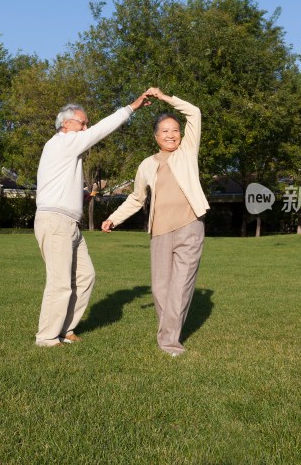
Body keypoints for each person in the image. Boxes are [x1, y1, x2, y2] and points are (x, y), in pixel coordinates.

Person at [34, 93, 151, 347]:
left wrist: (80, 196)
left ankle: (65, 329)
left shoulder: (66, 150)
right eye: (82, 123)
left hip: (69, 224)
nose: (86, 128)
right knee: (60, 282)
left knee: (86, 276)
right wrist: (131, 107)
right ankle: (46, 337)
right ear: (65, 123)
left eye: (86, 124)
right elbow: (101, 130)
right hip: (56, 223)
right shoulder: (63, 142)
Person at [101, 87, 209, 356]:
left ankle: (169, 342)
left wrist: (165, 98)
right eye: (165, 131)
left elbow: (194, 113)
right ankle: (168, 333)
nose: (171, 135)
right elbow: (137, 199)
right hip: (160, 232)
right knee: (161, 289)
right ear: (156, 137)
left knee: (181, 287)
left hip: (190, 226)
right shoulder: (147, 165)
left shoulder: (187, 152)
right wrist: (113, 219)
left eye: (175, 130)